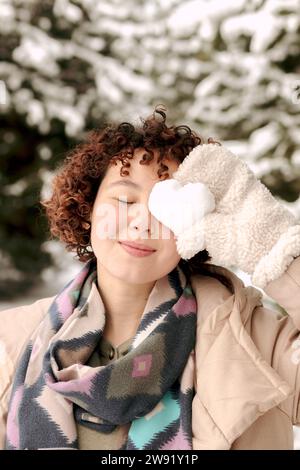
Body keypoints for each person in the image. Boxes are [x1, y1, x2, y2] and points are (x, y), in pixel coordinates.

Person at [1, 104, 300, 450]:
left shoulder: (255, 341)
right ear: (87, 211)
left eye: (166, 206)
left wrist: (274, 246)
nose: (143, 222)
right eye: (125, 199)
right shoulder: (12, 343)